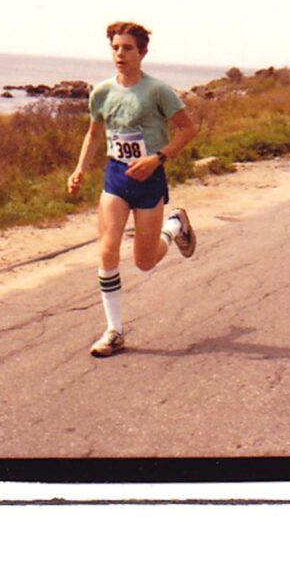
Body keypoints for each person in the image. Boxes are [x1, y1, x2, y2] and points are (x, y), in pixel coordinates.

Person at [65, 22, 200, 357]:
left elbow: (188, 129)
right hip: (116, 176)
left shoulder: (158, 91)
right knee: (107, 250)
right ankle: (114, 331)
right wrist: (80, 169)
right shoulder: (102, 92)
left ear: (142, 52)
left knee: (145, 262)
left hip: (149, 179)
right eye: (115, 48)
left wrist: (158, 158)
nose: (120, 54)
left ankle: (175, 225)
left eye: (127, 48)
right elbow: (94, 134)